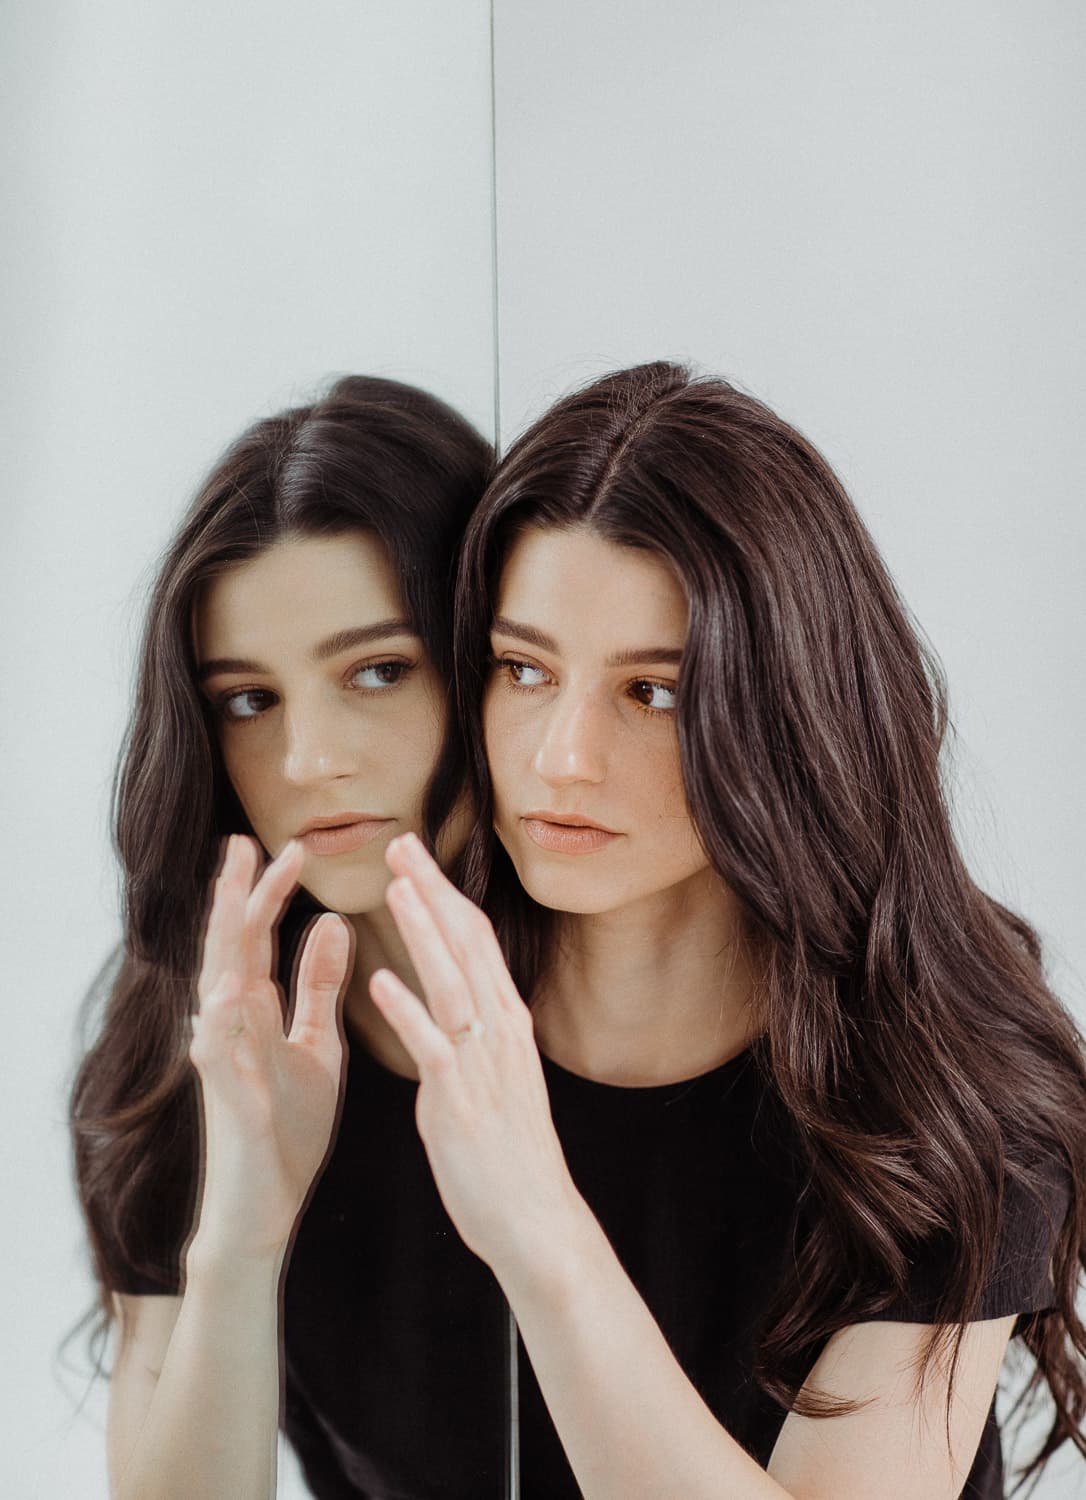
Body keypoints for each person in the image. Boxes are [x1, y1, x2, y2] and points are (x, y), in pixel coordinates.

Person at [364, 362, 1086, 1499]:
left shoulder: (940, 1105)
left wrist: (541, 1230)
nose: (562, 757)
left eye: (652, 692)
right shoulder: (390, 1036)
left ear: (785, 708)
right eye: (524, 669)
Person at [69, 375, 501, 1498]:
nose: (310, 761)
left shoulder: (675, 1008)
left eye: (377, 671)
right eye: (249, 701)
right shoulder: (196, 1030)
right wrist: (242, 1236)